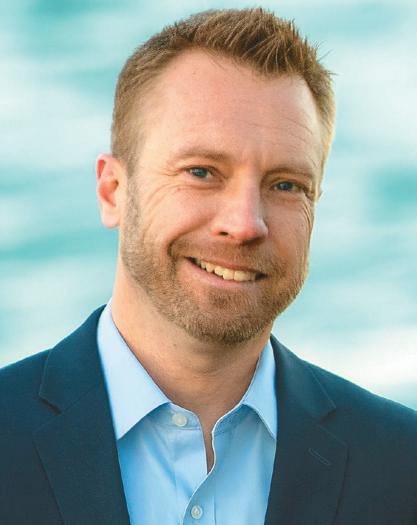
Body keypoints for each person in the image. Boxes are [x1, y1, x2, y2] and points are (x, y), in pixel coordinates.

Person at [1, 8, 416, 525]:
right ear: (113, 191)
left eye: (286, 185)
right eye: (201, 172)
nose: (245, 224)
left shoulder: (402, 467)